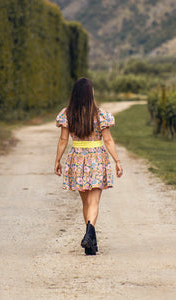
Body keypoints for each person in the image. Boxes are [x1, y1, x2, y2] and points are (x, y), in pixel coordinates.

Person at [54, 77, 123, 255]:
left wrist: (57, 160)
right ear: (90, 93)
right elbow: (107, 140)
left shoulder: (67, 114)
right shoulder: (100, 115)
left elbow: (63, 139)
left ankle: (90, 237)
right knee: (94, 202)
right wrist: (117, 160)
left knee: (85, 203)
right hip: (97, 159)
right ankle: (89, 235)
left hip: (77, 159)